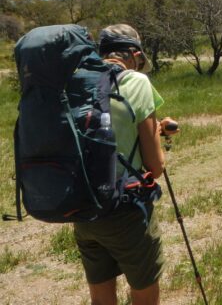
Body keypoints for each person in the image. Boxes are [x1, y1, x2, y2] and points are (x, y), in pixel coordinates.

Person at [74, 24, 175, 305]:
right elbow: (155, 167)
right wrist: (158, 131)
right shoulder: (137, 82)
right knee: (144, 294)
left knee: (101, 298)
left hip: (85, 209)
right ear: (135, 54)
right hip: (125, 211)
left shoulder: (78, 82)